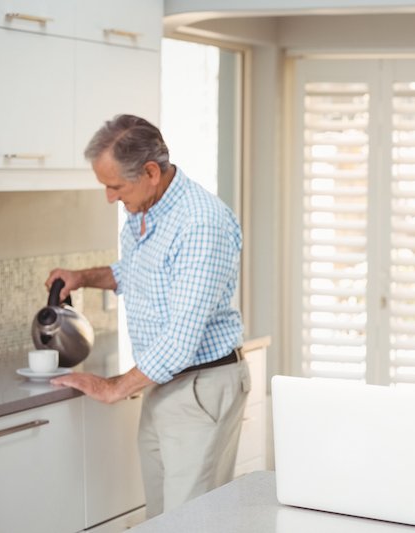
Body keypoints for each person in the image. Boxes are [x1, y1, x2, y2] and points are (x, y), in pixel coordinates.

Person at [49, 114, 250, 517]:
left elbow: (180, 340)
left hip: (200, 385)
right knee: (161, 519)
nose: (109, 197)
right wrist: (83, 277)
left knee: (191, 522)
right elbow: (137, 273)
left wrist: (113, 387)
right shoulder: (145, 211)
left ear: (151, 172)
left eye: (115, 187)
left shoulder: (199, 223)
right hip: (165, 383)